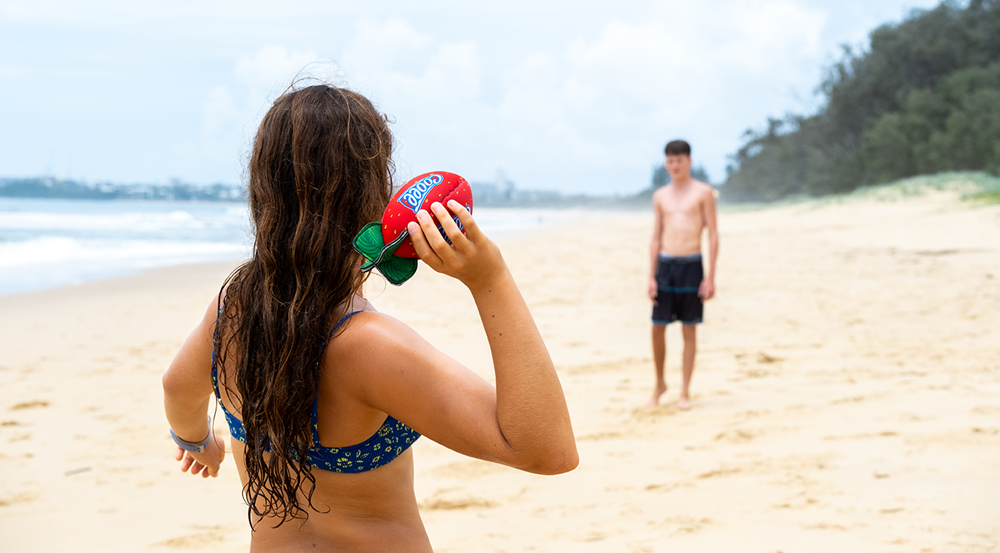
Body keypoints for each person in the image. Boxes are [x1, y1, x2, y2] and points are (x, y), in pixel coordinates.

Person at [162, 84, 578, 552]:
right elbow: (548, 450)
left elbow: (177, 387)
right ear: (377, 191)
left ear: (262, 189)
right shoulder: (368, 347)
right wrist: (490, 280)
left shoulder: (233, 308)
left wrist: (198, 442)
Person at [646, 140, 718, 410]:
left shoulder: (703, 192)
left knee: (689, 329)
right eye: (670, 161)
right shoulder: (660, 196)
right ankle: (660, 383)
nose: (675, 165)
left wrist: (710, 277)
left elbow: (713, 234)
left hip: (692, 265)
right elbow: (655, 238)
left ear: (689, 161)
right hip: (665, 266)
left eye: (680, 160)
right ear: (666, 163)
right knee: (657, 327)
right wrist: (651, 276)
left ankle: (684, 391)